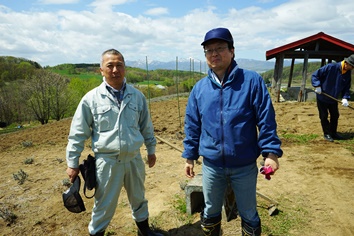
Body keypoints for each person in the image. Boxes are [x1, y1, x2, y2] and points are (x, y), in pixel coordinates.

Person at [182, 27, 283, 236]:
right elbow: (192, 125)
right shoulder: (200, 89)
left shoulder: (251, 81)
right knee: (210, 211)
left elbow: (266, 119)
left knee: (249, 212)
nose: (214, 54)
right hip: (212, 166)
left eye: (220, 48)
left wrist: (271, 153)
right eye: (209, 50)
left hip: (244, 165)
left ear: (232, 51)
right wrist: (190, 157)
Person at [66, 49, 162, 236]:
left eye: (119, 65)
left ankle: (145, 232)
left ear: (125, 68)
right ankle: (97, 233)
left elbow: (146, 126)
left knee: (139, 199)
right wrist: (72, 163)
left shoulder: (137, 96)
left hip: (134, 159)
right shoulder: (91, 99)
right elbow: (77, 134)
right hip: (107, 162)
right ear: (101, 70)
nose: (115, 69)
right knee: (104, 204)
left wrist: (151, 149)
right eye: (110, 65)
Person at [311, 55, 354, 142]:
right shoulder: (331, 67)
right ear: (346, 63)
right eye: (352, 66)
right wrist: (317, 85)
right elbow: (315, 75)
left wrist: (345, 97)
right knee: (324, 116)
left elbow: (346, 87)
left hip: (333, 98)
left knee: (335, 115)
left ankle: (333, 133)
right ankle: (327, 133)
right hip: (322, 96)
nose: (352, 68)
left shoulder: (347, 73)